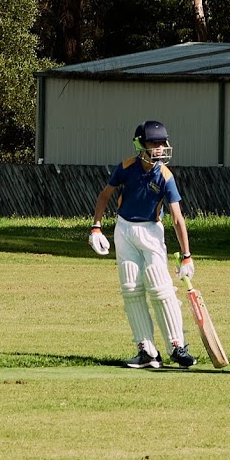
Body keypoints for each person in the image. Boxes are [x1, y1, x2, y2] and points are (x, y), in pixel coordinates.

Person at [88, 120, 198, 369]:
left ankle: (177, 346)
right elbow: (105, 195)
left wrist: (186, 255)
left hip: (151, 231)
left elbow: (178, 218)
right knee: (131, 289)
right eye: (153, 143)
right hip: (124, 229)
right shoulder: (126, 167)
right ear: (140, 144)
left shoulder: (165, 176)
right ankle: (146, 351)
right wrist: (96, 227)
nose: (159, 148)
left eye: (162, 143)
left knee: (161, 289)